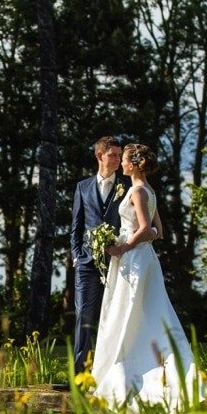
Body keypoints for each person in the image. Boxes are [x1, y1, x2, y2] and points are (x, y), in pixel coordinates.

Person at [91, 143, 206, 412]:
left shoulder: (138, 191)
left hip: (134, 260)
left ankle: (132, 366)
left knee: (129, 312)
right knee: (145, 312)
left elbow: (146, 228)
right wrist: (132, 239)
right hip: (144, 258)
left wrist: (122, 246)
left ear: (134, 163)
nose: (121, 164)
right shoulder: (148, 190)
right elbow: (159, 231)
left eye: (125, 160)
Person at [70, 136, 154, 375]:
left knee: (115, 317)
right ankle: (79, 375)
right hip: (86, 264)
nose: (118, 159)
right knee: (83, 317)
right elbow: (76, 226)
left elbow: (140, 223)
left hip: (119, 262)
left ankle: (111, 372)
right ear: (100, 156)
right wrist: (77, 255)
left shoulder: (129, 189)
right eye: (113, 155)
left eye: (120, 156)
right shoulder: (82, 187)